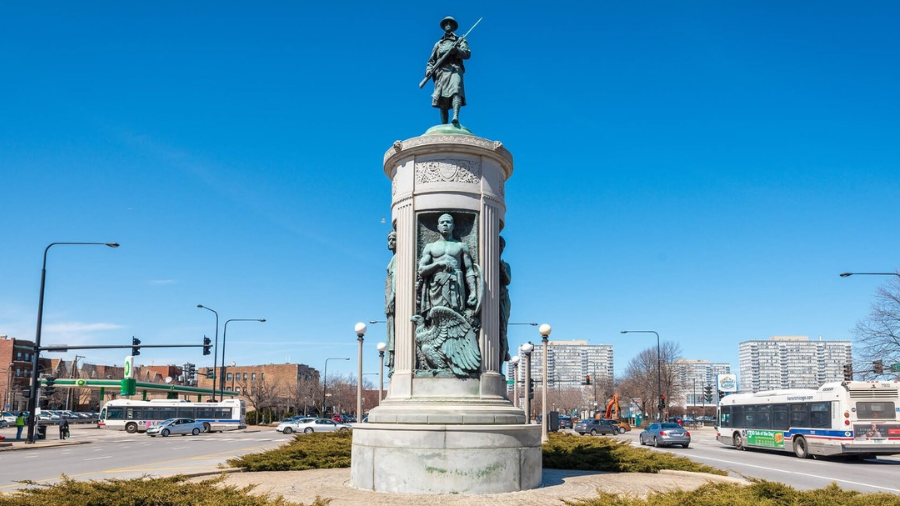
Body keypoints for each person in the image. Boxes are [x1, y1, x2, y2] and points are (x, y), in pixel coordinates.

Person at [418, 214, 480, 323]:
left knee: (456, 317)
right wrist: (438, 264)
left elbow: (469, 270)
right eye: (442, 222)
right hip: (436, 286)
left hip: (456, 285)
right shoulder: (430, 247)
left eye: (448, 222)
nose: (445, 224)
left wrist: (473, 292)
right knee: (437, 318)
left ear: (453, 226)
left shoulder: (461, 246)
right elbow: (421, 270)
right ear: (438, 227)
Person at [425, 16, 471, 125]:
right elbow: (431, 61)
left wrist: (456, 50)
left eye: (451, 23)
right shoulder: (438, 44)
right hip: (441, 72)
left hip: (455, 69)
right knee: (443, 99)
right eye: (446, 23)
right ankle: (444, 124)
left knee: (456, 90)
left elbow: (467, 54)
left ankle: (455, 117)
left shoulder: (460, 40)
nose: (448, 24)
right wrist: (428, 70)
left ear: (454, 26)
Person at [384, 230, 397, 375]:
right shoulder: (393, 259)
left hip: (393, 300)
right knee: (391, 331)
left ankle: (394, 362)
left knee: (394, 331)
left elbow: (396, 280)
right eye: (389, 239)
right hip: (389, 300)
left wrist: (392, 297)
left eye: (393, 239)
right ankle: (393, 362)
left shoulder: (399, 258)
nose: (391, 242)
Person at [498, 236, 512, 363]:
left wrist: (502, 270)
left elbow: (507, 281)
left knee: (501, 332)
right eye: (498, 245)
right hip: (490, 300)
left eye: (502, 246)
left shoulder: (505, 265)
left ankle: (500, 362)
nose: (500, 248)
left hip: (502, 299)